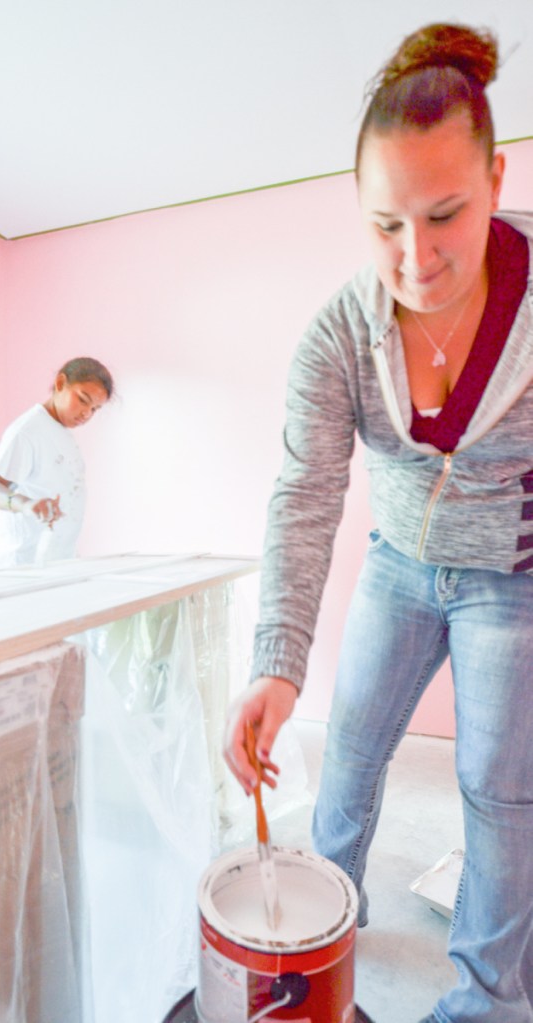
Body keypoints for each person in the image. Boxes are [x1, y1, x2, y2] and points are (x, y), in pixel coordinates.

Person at [224, 22, 533, 1023]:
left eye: (445, 216)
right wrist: (279, 659)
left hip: (512, 580)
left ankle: (484, 999)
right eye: (385, 225)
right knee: (349, 750)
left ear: (495, 177)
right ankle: (322, 922)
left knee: (496, 788)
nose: (418, 258)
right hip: (399, 566)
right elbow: (305, 493)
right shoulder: (338, 338)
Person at [0, 356, 114, 569]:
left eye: (95, 409)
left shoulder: (61, 432)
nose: (87, 413)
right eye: (83, 400)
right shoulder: (28, 431)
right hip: (20, 566)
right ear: (60, 384)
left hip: (55, 564)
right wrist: (26, 504)